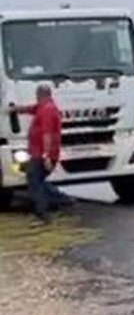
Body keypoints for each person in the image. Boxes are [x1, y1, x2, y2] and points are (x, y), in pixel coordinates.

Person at [10, 85, 72, 223]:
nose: (36, 97)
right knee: (37, 180)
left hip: (42, 154)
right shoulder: (44, 106)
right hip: (39, 153)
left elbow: (47, 135)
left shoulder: (47, 110)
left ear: (40, 94)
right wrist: (16, 109)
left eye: (37, 95)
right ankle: (61, 200)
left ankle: (44, 211)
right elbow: (31, 108)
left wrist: (46, 156)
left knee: (34, 180)